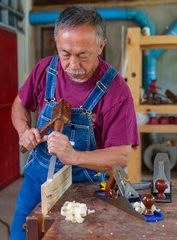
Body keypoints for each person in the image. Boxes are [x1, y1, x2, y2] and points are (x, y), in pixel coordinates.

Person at [10, 5, 139, 239]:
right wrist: (24, 130)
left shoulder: (116, 92)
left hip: (85, 185)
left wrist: (75, 156)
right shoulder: (45, 70)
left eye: (83, 55)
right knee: (23, 234)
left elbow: (121, 156)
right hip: (36, 181)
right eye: (65, 54)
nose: (72, 66)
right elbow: (20, 103)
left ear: (101, 46)